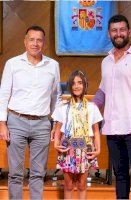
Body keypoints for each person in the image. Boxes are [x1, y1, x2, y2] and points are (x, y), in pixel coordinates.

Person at [93, 14, 131, 199]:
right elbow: (102, 92)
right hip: (112, 129)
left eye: (122, 30)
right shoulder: (106, 61)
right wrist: (87, 110)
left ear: (129, 32)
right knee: (120, 175)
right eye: (114, 30)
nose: (118, 34)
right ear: (109, 34)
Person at [0, 26, 61, 199]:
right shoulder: (12, 64)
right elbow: (4, 94)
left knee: (38, 174)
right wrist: (2, 123)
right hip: (15, 122)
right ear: (25, 41)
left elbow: (56, 96)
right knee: (15, 174)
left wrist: (55, 124)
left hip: (42, 123)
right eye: (31, 39)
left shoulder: (52, 65)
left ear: (43, 43)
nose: (35, 43)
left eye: (39, 40)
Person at [52, 70, 102, 199]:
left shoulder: (92, 107)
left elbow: (96, 130)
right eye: (73, 83)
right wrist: (56, 144)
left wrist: (98, 149)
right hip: (67, 147)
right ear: (70, 86)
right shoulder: (63, 107)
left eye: (80, 83)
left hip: (86, 146)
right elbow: (58, 129)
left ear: (85, 85)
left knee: (82, 184)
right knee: (68, 185)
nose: (76, 86)